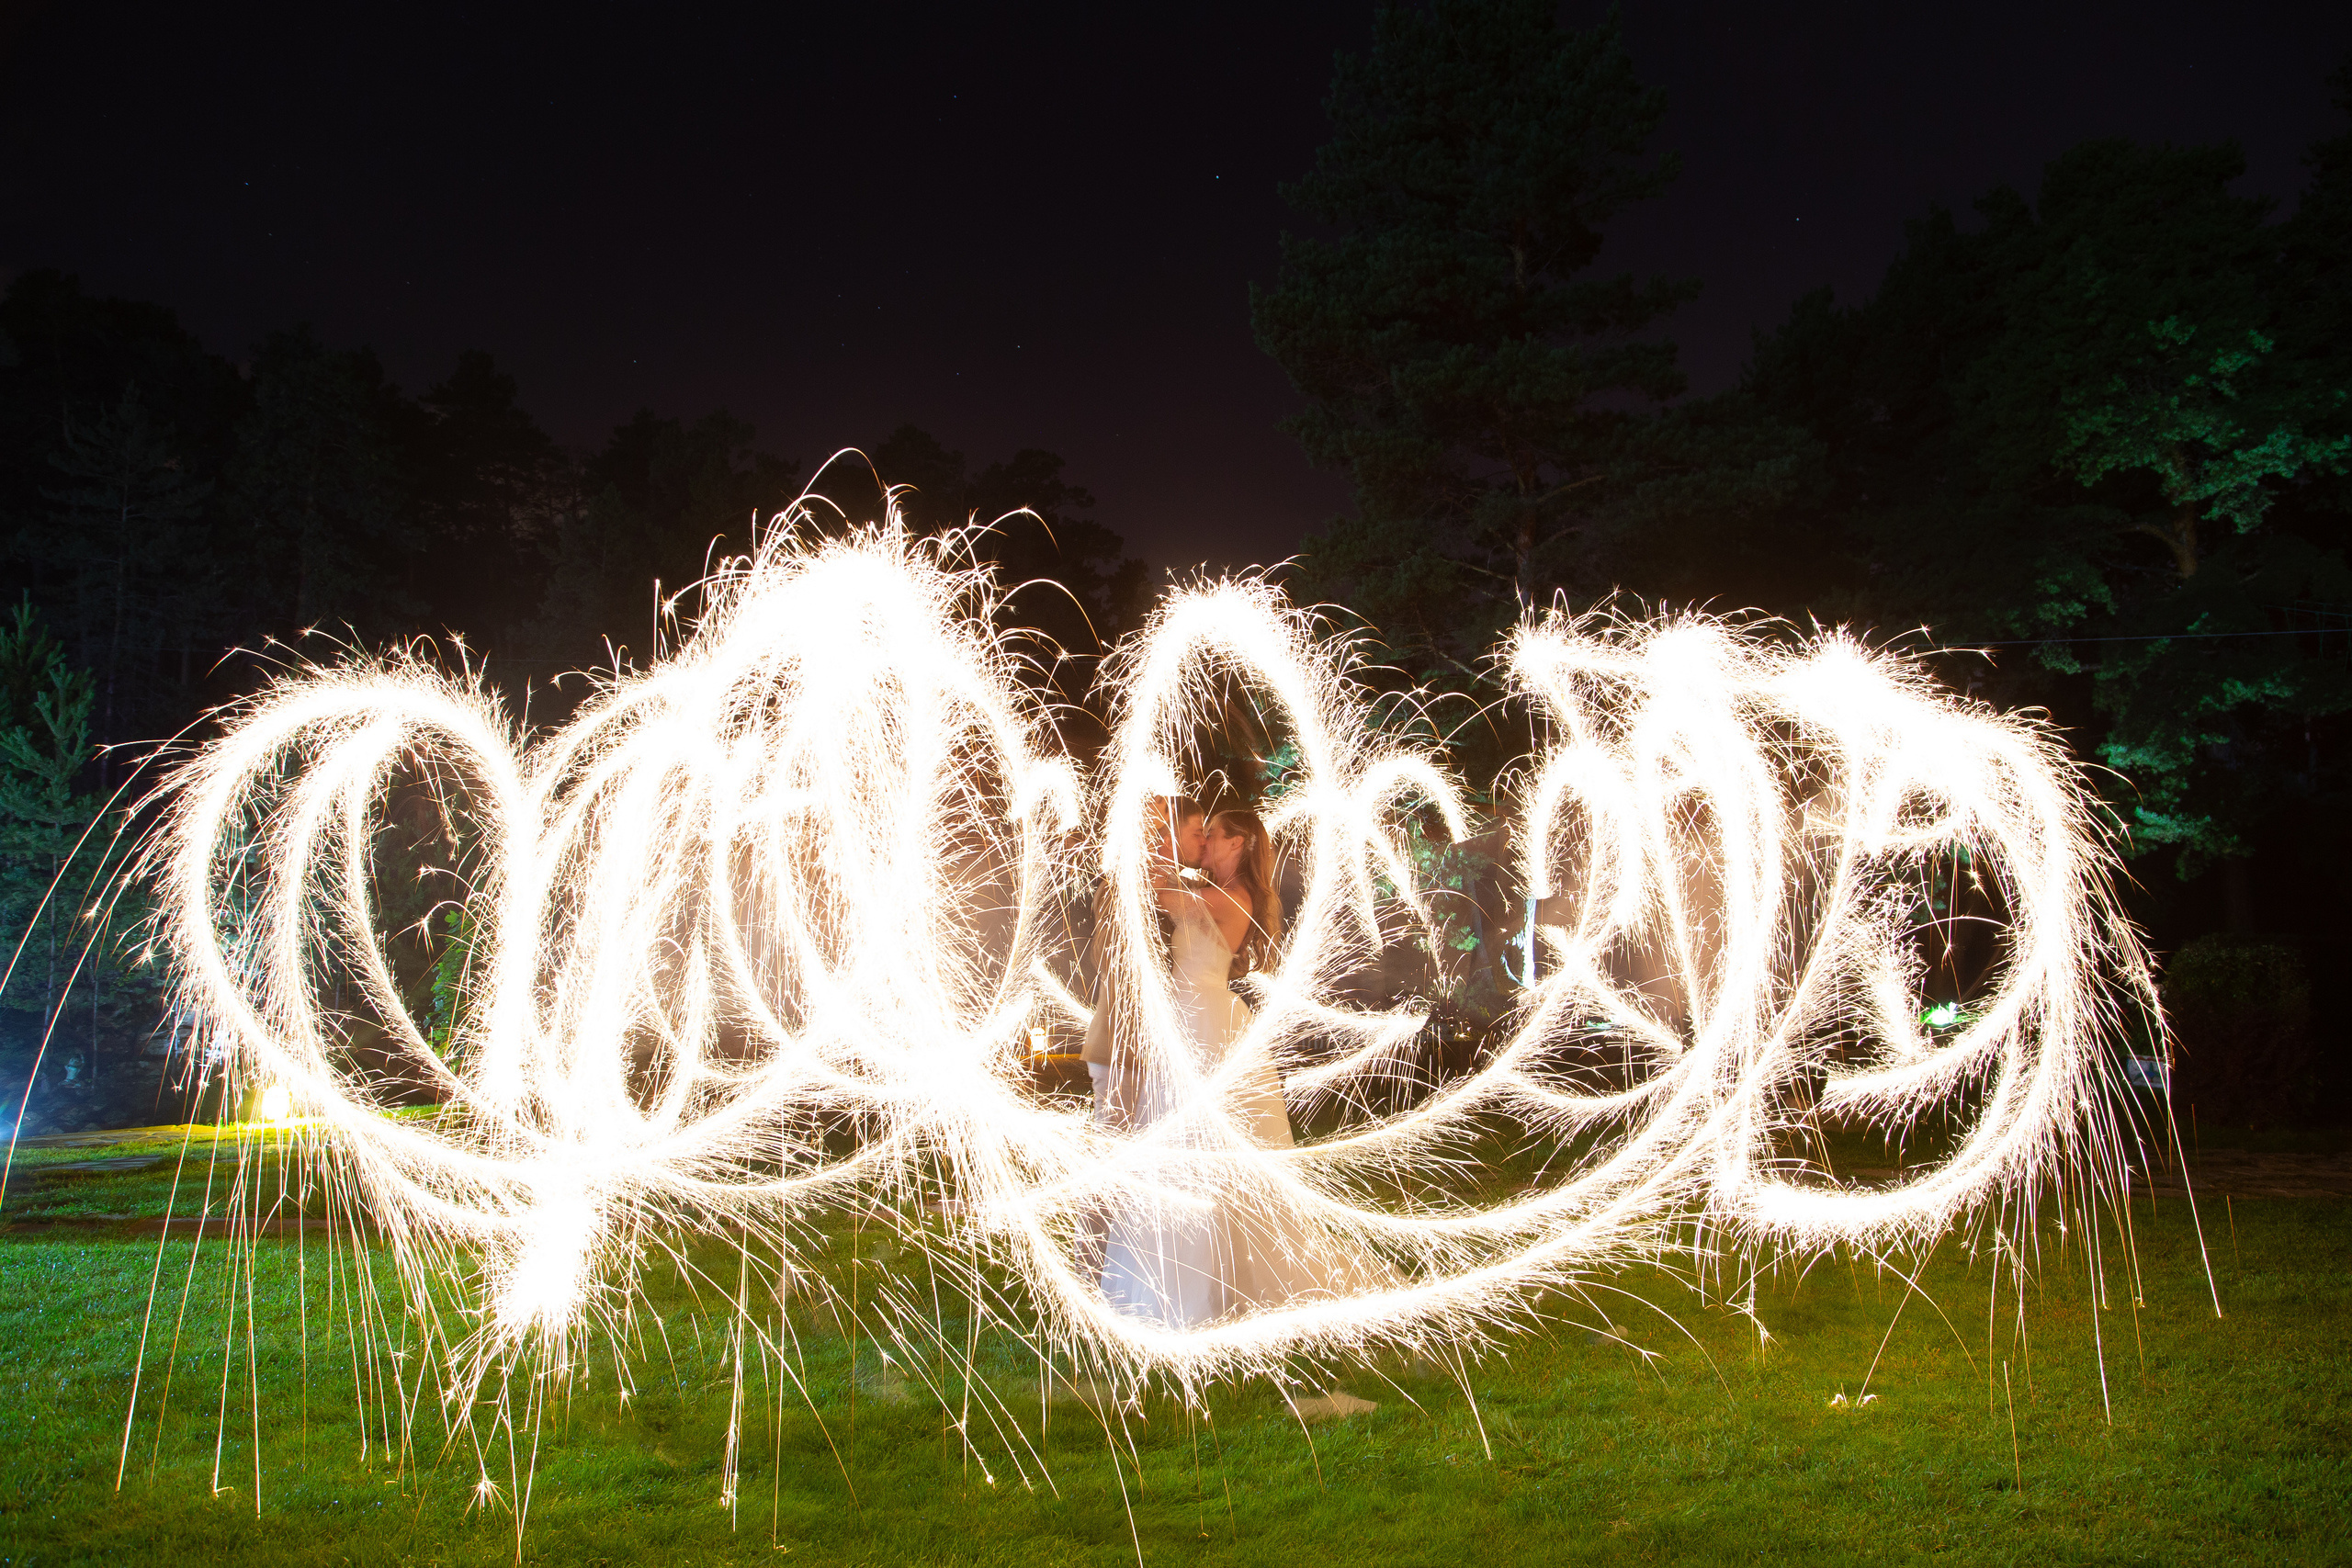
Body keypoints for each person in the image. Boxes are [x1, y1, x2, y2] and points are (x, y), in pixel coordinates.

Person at [1100, 804, 1375, 1326]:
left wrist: (1157, 828)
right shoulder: (1219, 893)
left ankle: (1196, 1279)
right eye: (1200, 837)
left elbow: (1159, 890)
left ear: (1237, 845)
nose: (1202, 845)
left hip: (1202, 1023)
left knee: (1194, 1141)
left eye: (1212, 838)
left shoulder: (1228, 898)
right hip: (1193, 1018)